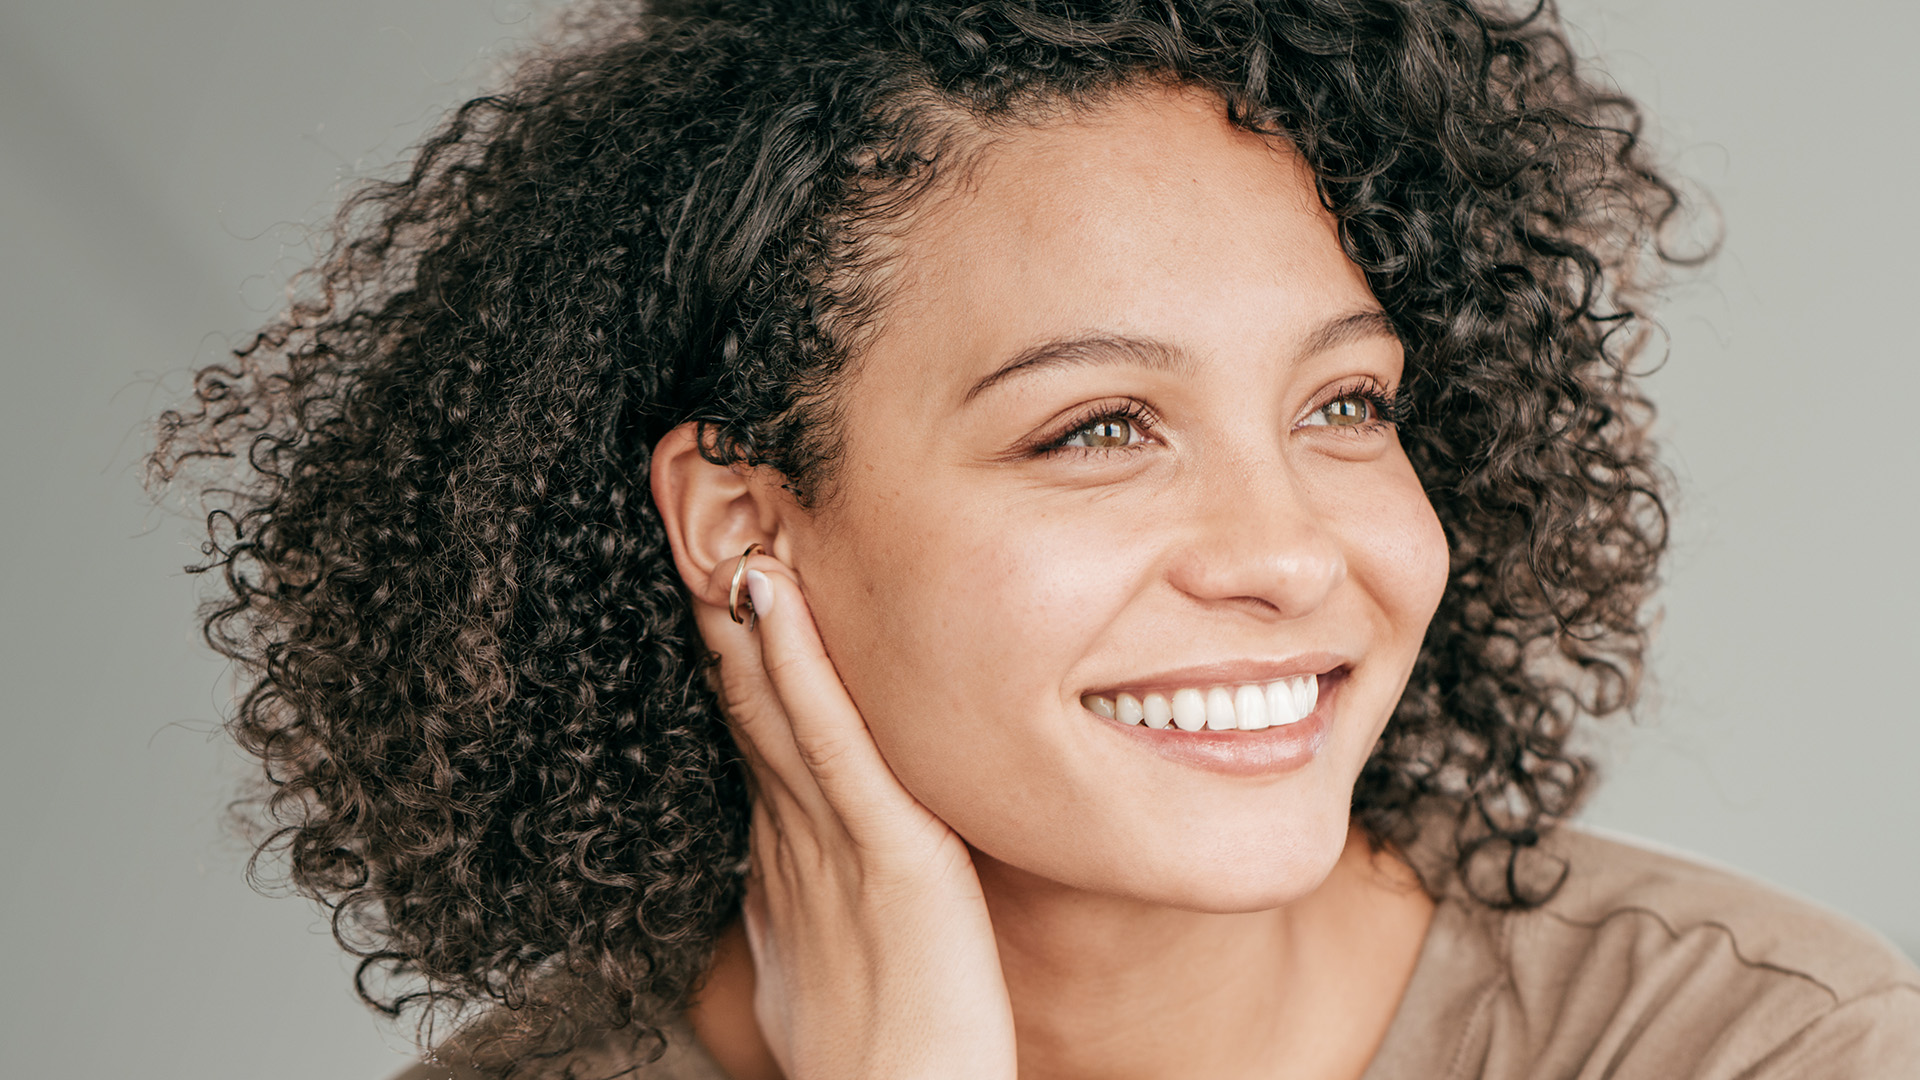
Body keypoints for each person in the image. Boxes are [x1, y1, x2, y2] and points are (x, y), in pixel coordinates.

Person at [151, 0, 1920, 1076]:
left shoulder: (1754, 1050)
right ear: (744, 524)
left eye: (1346, 405)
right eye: (1100, 430)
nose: (1289, 552)